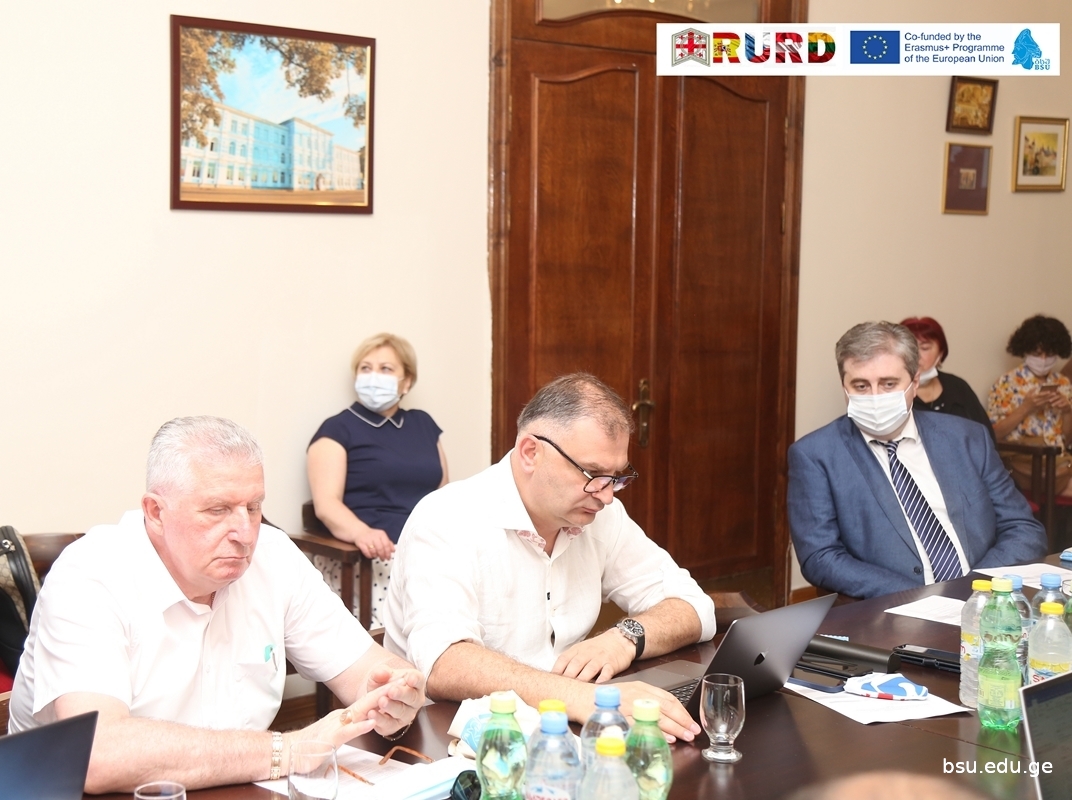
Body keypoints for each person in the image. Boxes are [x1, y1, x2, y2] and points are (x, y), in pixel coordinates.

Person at [9, 417, 425, 794]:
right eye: (217, 510)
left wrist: (393, 693)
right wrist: (288, 750)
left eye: (254, 507)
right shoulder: (90, 575)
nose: (245, 533)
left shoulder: (273, 556)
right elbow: (99, 754)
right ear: (155, 512)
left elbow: (368, 671)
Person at [383, 373, 716, 742]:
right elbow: (443, 663)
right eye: (593, 474)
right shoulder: (447, 518)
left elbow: (694, 606)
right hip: (447, 740)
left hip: (561, 730)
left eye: (616, 477)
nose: (606, 496)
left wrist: (624, 638)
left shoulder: (602, 515)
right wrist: (580, 698)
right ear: (531, 452)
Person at [788, 322, 1046, 599]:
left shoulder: (967, 438)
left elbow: (1023, 528)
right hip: (893, 607)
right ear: (844, 387)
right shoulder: (815, 455)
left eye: (889, 384)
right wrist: (919, 597)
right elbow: (820, 556)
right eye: (860, 386)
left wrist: (973, 587)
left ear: (914, 383)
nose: (875, 397)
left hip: (985, 598)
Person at [307, 333, 448, 627]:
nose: (374, 376)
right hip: (372, 557)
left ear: (406, 382)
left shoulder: (423, 423)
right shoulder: (337, 429)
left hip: (429, 549)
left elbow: (443, 493)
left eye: (386, 369)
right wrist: (363, 534)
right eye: (365, 368)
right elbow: (326, 505)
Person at [988, 315, 1072, 496]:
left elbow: (1065, 440)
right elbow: (994, 434)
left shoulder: (1063, 383)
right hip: (1023, 459)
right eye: (1037, 353)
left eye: (1049, 354)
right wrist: (1026, 407)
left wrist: (1067, 411)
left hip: (1057, 458)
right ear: (1025, 351)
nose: (1043, 359)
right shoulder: (1006, 383)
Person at [900, 316, 993, 438]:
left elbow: (985, 435)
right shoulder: (892, 391)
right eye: (910, 348)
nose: (916, 355)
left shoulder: (958, 387)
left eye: (925, 348)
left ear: (940, 353)